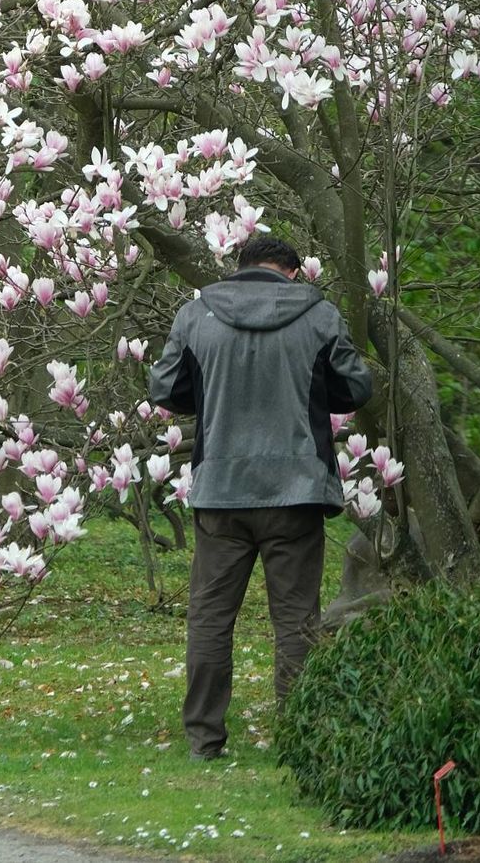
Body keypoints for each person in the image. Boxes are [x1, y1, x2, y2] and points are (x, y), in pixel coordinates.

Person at [148, 233, 373, 761]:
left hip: (221, 491)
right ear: (292, 272)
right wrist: (316, 392)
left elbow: (165, 388)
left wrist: (208, 397)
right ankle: (296, 734)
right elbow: (356, 386)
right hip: (295, 492)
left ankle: (204, 739)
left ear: (239, 267)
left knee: (209, 618)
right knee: (297, 619)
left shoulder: (197, 313)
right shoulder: (318, 316)